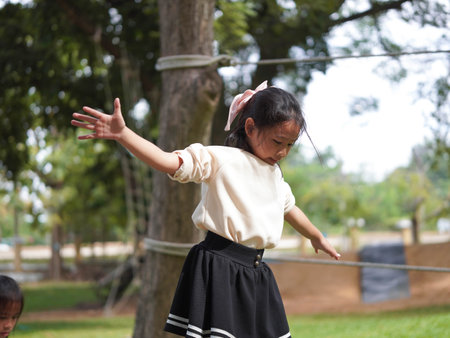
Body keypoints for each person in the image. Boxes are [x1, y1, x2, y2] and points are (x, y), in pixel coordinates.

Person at [71, 81, 340, 338]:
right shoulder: (221, 159)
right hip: (220, 267)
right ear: (249, 127)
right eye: (277, 141)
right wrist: (123, 134)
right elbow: (167, 162)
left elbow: (290, 209)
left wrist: (316, 236)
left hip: (257, 274)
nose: (282, 152)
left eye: (289, 145)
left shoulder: (274, 176)